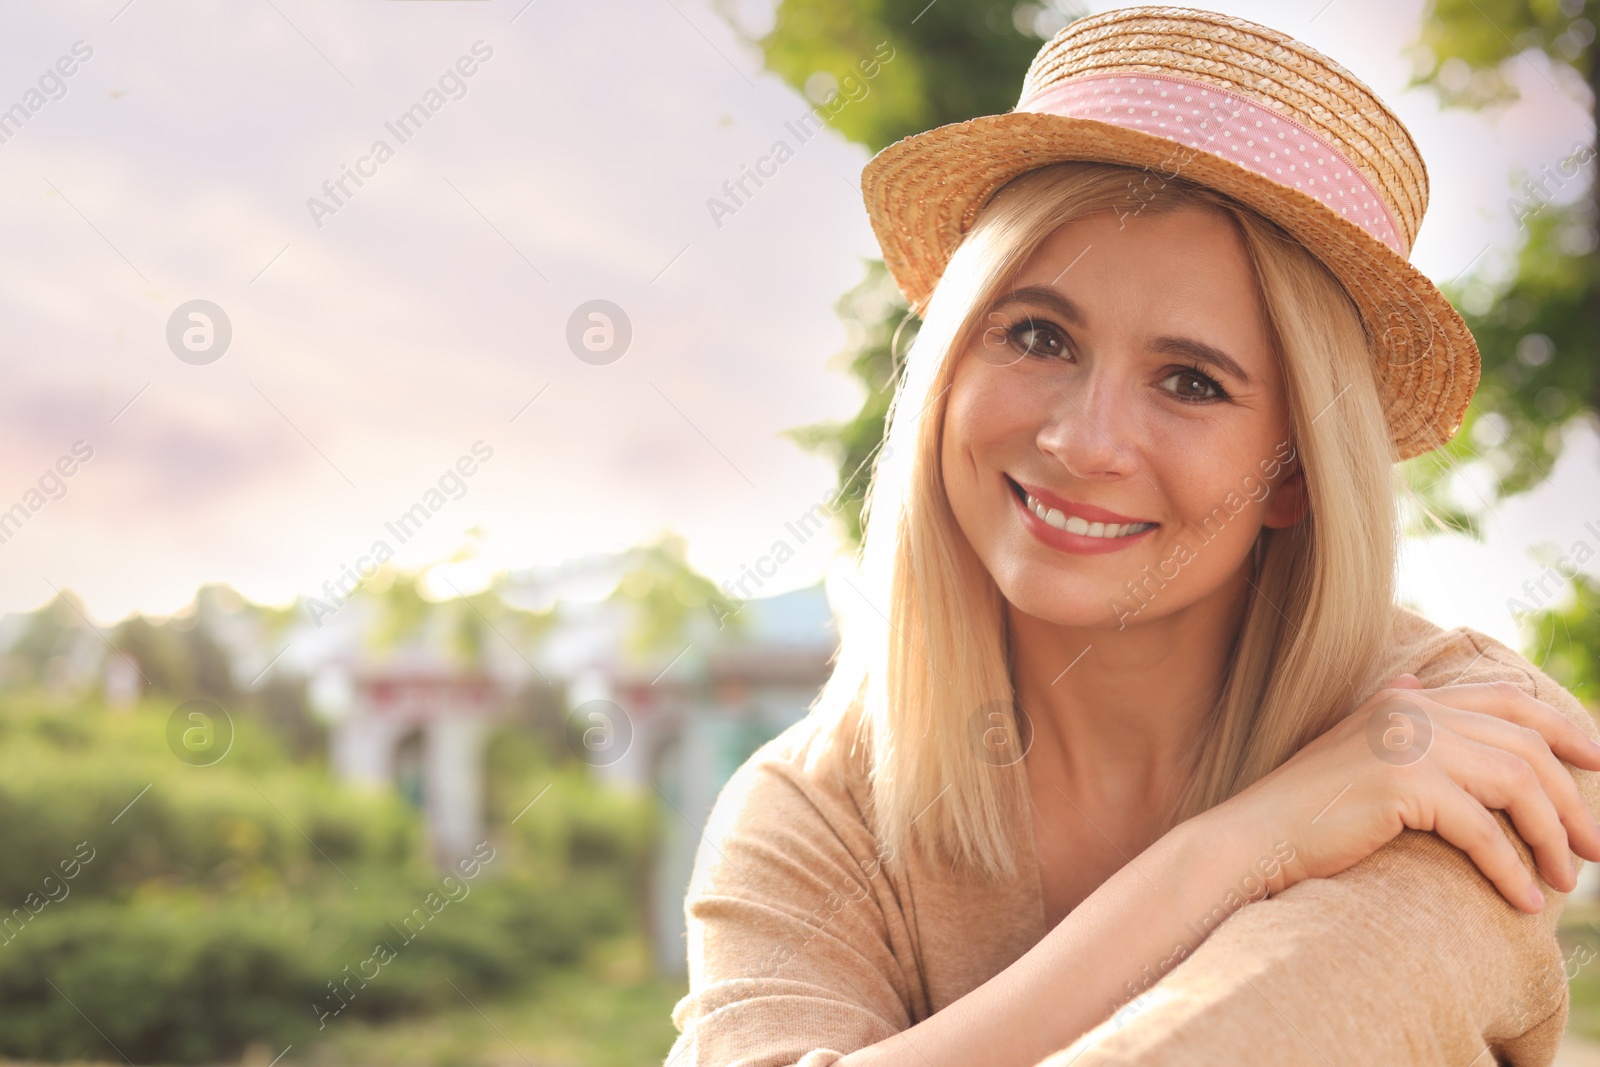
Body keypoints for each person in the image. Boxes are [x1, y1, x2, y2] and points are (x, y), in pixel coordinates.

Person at [666, 7, 1600, 1066]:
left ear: (1292, 473)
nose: (1081, 438)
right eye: (1037, 335)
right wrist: (1230, 851)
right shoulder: (813, 812)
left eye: (1191, 381)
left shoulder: (1457, 731)